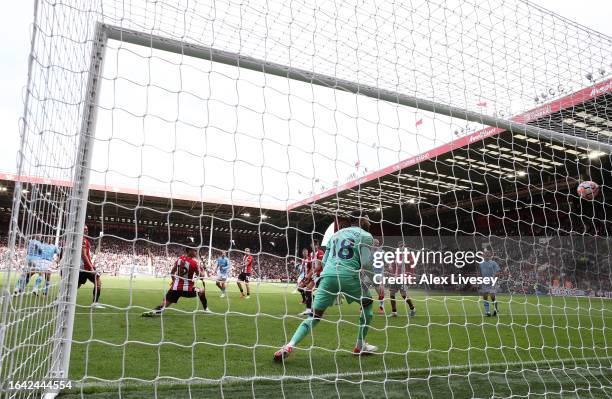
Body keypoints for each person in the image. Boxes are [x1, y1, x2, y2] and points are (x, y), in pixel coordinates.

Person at [274, 211, 377, 362]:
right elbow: (367, 264)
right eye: (368, 219)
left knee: (314, 316)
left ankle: (289, 345)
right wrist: (377, 283)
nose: (370, 222)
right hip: (348, 276)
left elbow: (325, 262)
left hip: (328, 276)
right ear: (361, 220)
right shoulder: (366, 236)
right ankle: (360, 345)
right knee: (367, 305)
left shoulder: (335, 235)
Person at [142, 244, 209, 316]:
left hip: (175, 288)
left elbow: (172, 273)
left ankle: (154, 311)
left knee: (164, 305)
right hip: (187, 289)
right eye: (195, 250)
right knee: (202, 291)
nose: (196, 252)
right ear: (189, 251)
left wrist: (174, 282)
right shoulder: (194, 263)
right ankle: (206, 309)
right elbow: (202, 276)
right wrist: (202, 269)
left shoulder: (179, 259)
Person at [388, 242, 416, 317]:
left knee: (403, 294)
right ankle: (394, 312)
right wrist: (390, 266)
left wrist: (404, 262)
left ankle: (413, 309)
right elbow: (392, 262)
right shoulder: (397, 255)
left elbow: (412, 263)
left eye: (403, 246)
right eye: (400, 246)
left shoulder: (409, 255)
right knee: (392, 293)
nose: (402, 247)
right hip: (397, 277)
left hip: (406, 277)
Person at [78, 226, 104, 308]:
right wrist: (91, 268)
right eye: (84, 229)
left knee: (77, 284)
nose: (86, 231)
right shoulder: (83, 241)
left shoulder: (82, 240)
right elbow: (84, 255)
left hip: (82, 268)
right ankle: (95, 303)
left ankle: (59, 298)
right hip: (85, 267)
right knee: (98, 282)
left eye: (87, 229)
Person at [479, 249, 500, 317]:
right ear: (483, 256)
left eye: (488, 255)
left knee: (492, 296)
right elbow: (480, 273)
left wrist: (494, 279)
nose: (486, 256)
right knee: (485, 297)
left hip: (492, 282)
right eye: (485, 255)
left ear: (490, 256)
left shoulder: (493, 263)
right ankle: (487, 312)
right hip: (484, 282)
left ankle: (495, 309)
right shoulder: (481, 264)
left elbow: (498, 272)